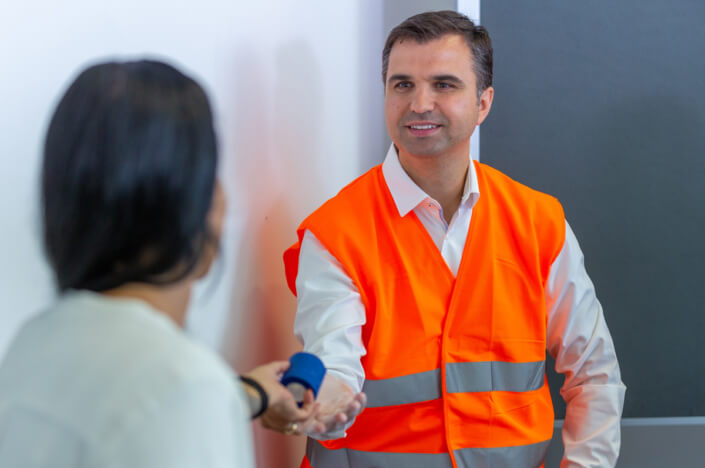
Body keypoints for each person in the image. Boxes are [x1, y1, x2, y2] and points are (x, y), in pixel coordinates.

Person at [283, 10, 626, 468]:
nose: (419, 103)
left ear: (484, 102)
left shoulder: (538, 222)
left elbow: (594, 373)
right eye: (402, 84)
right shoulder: (335, 234)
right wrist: (316, 402)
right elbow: (334, 363)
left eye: (444, 84)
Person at [0, 59, 320, 468]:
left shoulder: (32, 346)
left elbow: (118, 411)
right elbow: (161, 401)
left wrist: (238, 395)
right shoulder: (184, 387)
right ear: (199, 205)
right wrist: (210, 397)